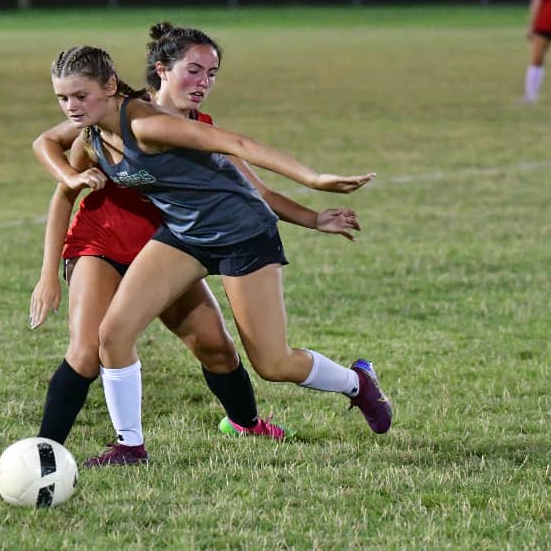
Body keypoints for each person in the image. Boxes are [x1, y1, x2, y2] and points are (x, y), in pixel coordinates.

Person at [42, 44, 392, 466]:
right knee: (113, 335)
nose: (71, 107)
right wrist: (68, 175)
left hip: (241, 232)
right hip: (184, 235)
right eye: (63, 98)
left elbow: (238, 143)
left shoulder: (148, 125)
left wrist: (313, 179)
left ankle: (358, 383)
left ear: (110, 86)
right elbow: (46, 143)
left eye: (80, 96)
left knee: (272, 362)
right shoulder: (94, 135)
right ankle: (129, 447)